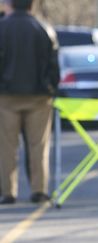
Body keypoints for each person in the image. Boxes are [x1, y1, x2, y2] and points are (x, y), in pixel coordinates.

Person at [0, 0, 60, 204]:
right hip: (39, 96)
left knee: (6, 146)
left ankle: (8, 191)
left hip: (6, 96)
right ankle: (39, 190)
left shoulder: (2, 27)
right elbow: (53, 63)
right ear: (31, 5)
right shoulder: (44, 28)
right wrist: (52, 87)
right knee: (38, 145)